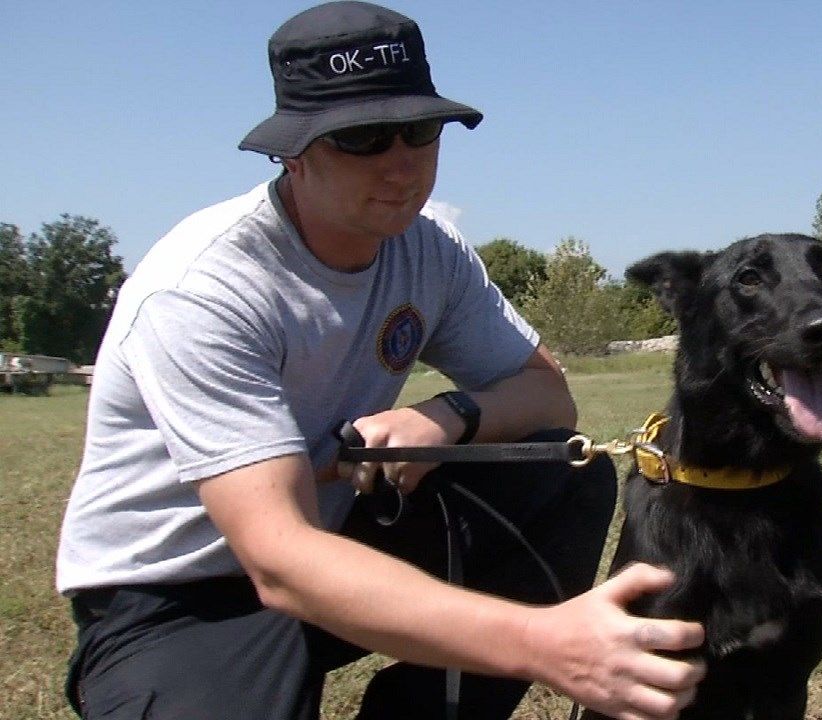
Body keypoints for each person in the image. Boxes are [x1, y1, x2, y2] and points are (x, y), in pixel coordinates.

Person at [54, 3, 705, 719]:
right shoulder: (205, 287)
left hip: (331, 541)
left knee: (558, 472)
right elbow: (279, 558)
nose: (402, 163)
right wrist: (547, 642)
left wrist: (446, 417)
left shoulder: (427, 250)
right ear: (294, 152)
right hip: (180, 592)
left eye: (420, 130)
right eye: (361, 136)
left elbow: (549, 398)